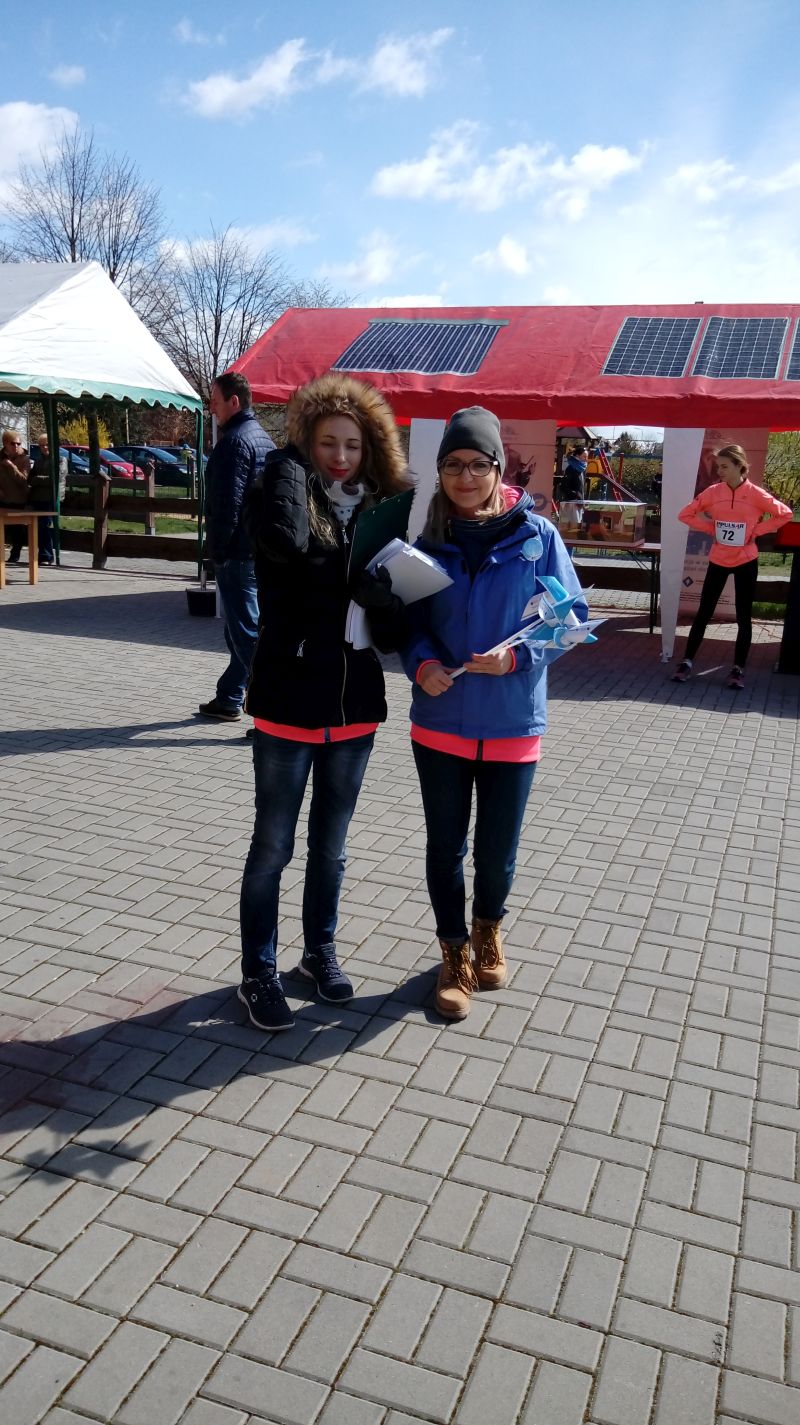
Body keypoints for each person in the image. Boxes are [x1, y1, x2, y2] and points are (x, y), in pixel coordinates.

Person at [237, 373, 410, 1030]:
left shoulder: (381, 515)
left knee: (331, 848)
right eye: (327, 442)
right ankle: (258, 972)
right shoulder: (281, 494)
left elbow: (389, 635)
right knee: (273, 846)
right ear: (307, 442)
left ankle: (318, 952)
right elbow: (282, 544)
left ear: (371, 451)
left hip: (355, 707)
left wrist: (385, 599)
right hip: (288, 702)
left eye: (353, 445)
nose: (341, 456)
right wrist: (287, 462)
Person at [402, 407, 587, 1021]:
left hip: (512, 722)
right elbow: (408, 625)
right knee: (445, 847)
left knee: (498, 850)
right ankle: (453, 953)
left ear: (498, 468)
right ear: (440, 471)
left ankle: (488, 931)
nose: (466, 477)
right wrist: (422, 664)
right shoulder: (427, 544)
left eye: (478, 464)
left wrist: (518, 659)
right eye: (453, 465)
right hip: (441, 722)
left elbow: (571, 620)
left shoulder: (539, 538)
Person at [673, 444, 792, 689]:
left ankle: (738, 669)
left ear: (740, 466)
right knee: (703, 613)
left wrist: (755, 531)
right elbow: (685, 514)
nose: (719, 471)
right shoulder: (713, 492)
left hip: (745, 560)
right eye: (718, 467)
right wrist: (711, 529)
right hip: (718, 559)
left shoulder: (756, 494)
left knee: (743, 616)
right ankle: (686, 662)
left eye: (725, 467)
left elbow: (785, 514)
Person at [198, 371, 275, 721]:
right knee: (242, 630)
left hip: (238, 553)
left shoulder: (233, 443)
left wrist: (219, 552)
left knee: (245, 633)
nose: (212, 408)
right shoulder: (262, 438)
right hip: (256, 550)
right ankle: (230, 695)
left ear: (234, 401)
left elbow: (226, 505)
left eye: (215, 401)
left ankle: (272, 712)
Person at [28, 434, 66, 564]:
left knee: (44, 525)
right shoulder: (38, 461)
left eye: (47, 445)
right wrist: (40, 479)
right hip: (38, 497)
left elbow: (55, 479)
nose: (44, 447)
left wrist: (38, 479)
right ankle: (43, 555)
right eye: (42, 445)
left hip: (52, 498)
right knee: (38, 526)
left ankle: (46, 555)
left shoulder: (60, 459)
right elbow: (30, 479)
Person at [0, 430, 31, 563]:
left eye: (19, 443)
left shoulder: (24, 459)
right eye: (13, 443)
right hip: (3, 498)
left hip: (18, 499)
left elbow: (23, 480)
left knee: (17, 529)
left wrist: (11, 466)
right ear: (5, 444)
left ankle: (15, 555)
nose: (16, 446)